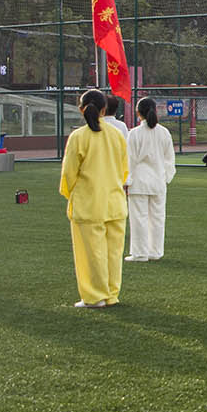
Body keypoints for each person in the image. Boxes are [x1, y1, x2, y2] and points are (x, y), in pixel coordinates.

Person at [59, 89, 129, 308]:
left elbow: (69, 174)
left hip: (89, 203)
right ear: (104, 109)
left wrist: (71, 195)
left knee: (91, 253)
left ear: (81, 109)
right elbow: (124, 170)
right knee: (113, 253)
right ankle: (110, 293)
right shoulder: (116, 134)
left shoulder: (78, 137)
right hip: (114, 202)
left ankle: (93, 295)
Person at [126, 98, 176, 263]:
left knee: (139, 217)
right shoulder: (164, 133)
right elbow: (170, 159)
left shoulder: (134, 134)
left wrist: (127, 180)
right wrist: (166, 177)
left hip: (139, 181)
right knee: (157, 217)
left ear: (138, 112)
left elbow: (130, 160)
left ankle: (140, 253)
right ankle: (155, 251)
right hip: (158, 180)